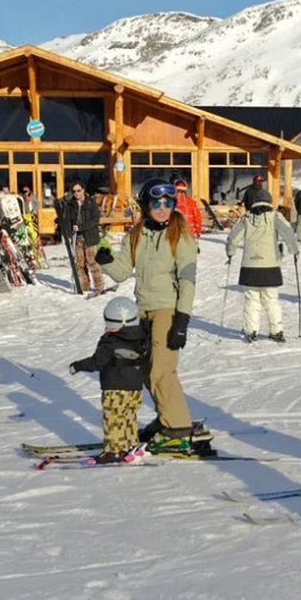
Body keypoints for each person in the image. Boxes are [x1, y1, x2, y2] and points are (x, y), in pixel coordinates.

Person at [95, 178, 203, 454]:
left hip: (167, 309)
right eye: (157, 203)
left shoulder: (180, 234)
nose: (163, 208)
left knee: (162, 371)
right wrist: (105, 259)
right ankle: (165, 416)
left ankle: (177, 427)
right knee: (144, 369)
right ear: (146, 204)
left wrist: (182, 319)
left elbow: (188, 278)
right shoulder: (137, 234)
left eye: (169, 203)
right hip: (141, 310)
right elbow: (121, 272)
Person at [69, 296, 151, 465]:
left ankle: (113, 451)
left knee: (113, 420)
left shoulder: (110, 342)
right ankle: (129, 445)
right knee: (128, 417)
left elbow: (97, 362)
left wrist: (77, 366)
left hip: (115, 389)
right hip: (135, 388)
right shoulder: (142, 336)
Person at [226, 191, 298, 343]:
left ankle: (251, 331)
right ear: (269, 201)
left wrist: (230, 253)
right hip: (270, 265)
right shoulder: (275, 216)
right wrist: (294, 250)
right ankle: (276, 331)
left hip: (249, 266)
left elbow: (233, 237)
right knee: (271, 299)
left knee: (252, 299)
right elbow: (288, 232)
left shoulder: (246, 217)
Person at [65, 182, 105, 297]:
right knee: (80, 263)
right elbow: (68, 220)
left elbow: (95, 220)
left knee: (92, 262)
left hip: (90, 237)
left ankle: (99, 286)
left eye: (78, 190)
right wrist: (68, 234)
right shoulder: (71, 205)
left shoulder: (91, 203)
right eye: (74, 191)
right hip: (77, 238)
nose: (76, 193)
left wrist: (81, 227)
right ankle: (85, 285)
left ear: (83, 190)